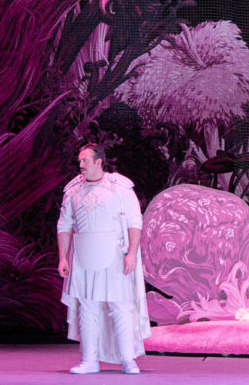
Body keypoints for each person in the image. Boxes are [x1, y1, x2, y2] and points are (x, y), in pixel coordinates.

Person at [57, 144, 151, 374]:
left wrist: (131, 253)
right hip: (83, 256)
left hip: (114, 255)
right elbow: (64, 225)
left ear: (99, 161)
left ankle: (128, 359)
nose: (81, 165)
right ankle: (89, 360)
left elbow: (134, 221)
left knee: (120, 306)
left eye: (85, 160)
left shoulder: (120, 187)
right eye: (80, 160)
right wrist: (63, 258)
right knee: (87, 307)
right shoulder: (73, 191)